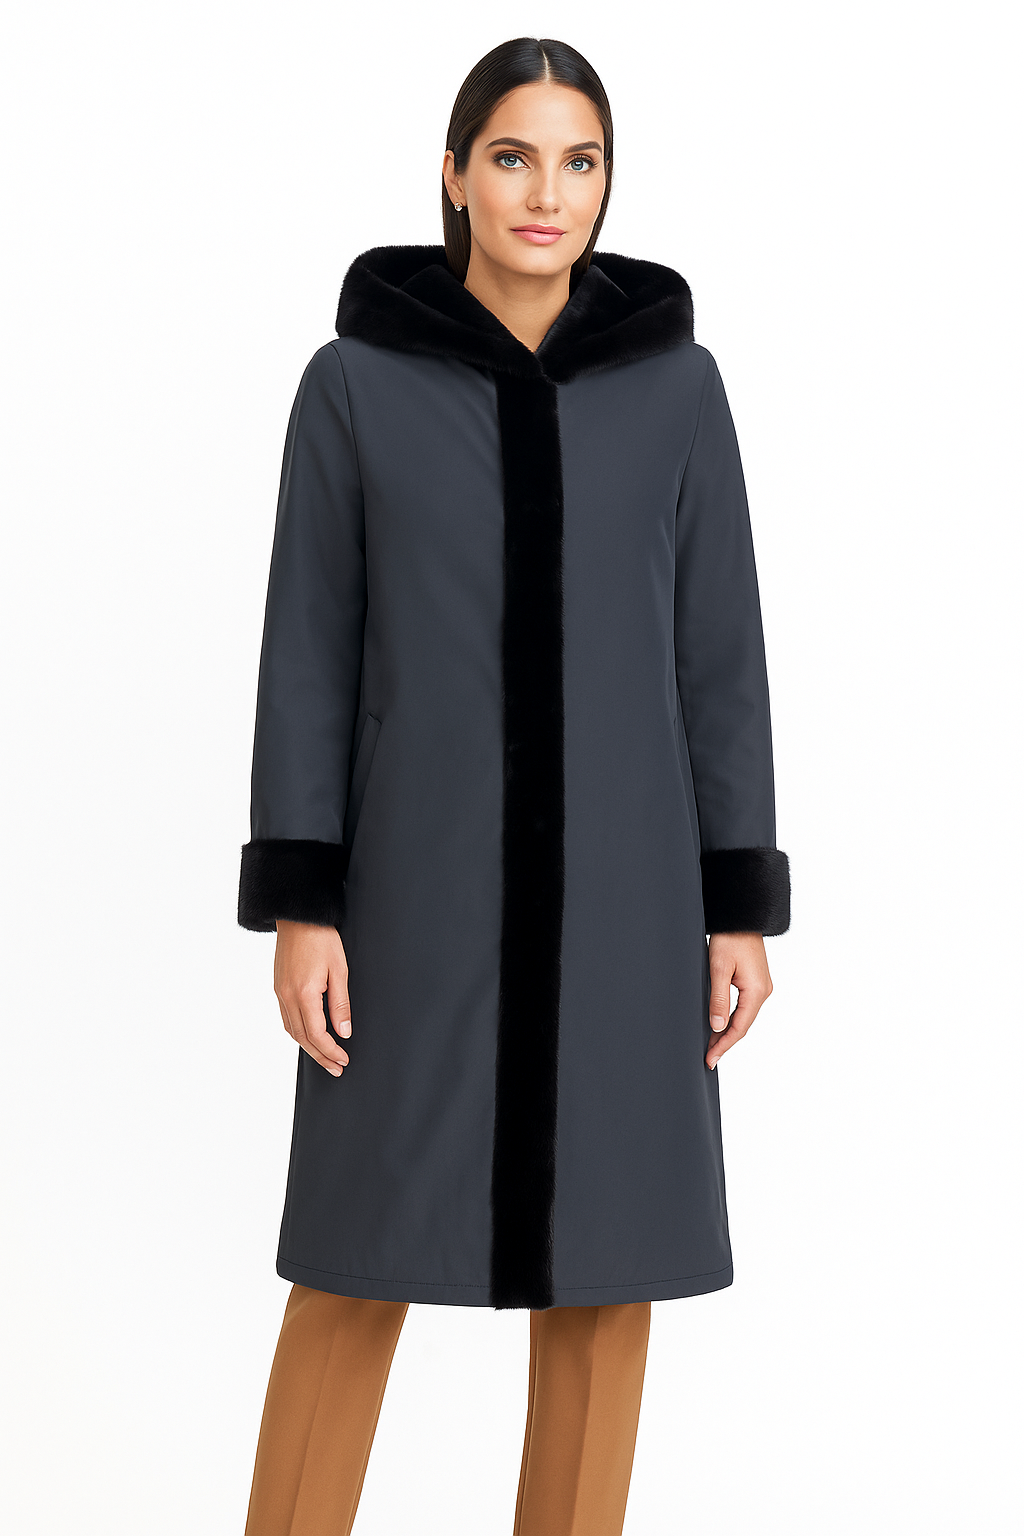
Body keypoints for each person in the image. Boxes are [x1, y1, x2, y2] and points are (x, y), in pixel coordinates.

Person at [237, 35, 790, 1536]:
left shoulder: (678, 391)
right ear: (454, 173)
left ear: (607, 183)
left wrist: (737, 904)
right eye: (513, 157)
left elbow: (719, 657)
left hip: (626, 903)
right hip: (413, 902)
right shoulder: (353, 386)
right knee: (353, 1269)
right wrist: (304, 903)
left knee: (607, 1287)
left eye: (579, 161)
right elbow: (308, 651)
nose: (548, 193)